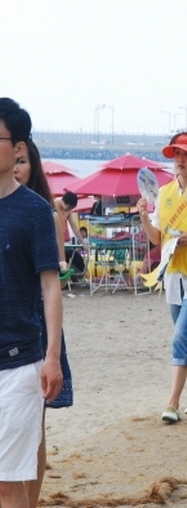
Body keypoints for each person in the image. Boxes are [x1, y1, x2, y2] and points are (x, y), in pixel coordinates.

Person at [0, 97, 63, 508]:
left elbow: (51, 287)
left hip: (18, 362)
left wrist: (52, 357)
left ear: (19, 147)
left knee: (8, 484)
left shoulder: (35, 211)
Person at [137, 132, 187, 423]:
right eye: (176, 154)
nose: (179, 159)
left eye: (185, 154)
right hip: (173, 276)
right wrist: (144, 216)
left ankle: (172, 403)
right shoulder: (165, 194)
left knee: (180, 338)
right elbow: (156, 238)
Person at [14, 139, 74, 507]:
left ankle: (30, 501)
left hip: (35, 322)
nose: (17, 167)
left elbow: (53, 276)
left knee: (33, 426)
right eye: (14, 161)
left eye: (23, 161)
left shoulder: (43, 214)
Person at [54, 191, 90, 257]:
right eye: (69, 207)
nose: (68, 210)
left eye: (71, 208)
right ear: (64, 201)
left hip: (59, 238)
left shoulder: (69, 211)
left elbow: (74, 227)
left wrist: (83, 243)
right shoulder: (55, 203)